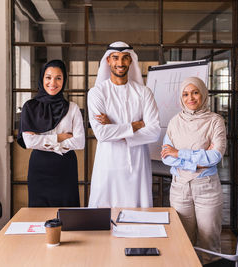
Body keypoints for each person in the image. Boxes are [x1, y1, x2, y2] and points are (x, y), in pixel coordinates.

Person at [161, 77, 226, 264]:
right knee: (182, 242)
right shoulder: (175, 122)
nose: (191, 98)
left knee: (210, 246)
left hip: (207, 189)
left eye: (195, 92)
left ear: (203, 94)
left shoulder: (215, 121)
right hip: (180, 188)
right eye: (186, 94)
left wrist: (179, 153)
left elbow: (215, 157)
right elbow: (167, 157)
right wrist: (198, 160)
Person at [88, 41, 161, 208]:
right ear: (108, 61)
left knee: (139, 216)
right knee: (104, 218)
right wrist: (134, 126)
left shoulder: (143, 92)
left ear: (131, 61)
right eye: (115, 58)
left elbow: (154, 131)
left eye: (124, 58)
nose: (120, 63)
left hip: (137, 165)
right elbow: (101, 134)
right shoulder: (97, 93)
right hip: (108, 165)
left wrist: (114, 128)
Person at [17, 59, 85, 207]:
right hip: (40, 168)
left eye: (58, 78)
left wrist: (42, 140)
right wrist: (59, 137)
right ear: (42, 79)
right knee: (39, 216)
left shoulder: (72, 108)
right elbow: (29, 141)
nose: (52, 83)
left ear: (64, 80)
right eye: (48, 77)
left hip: (66, 168)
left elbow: (79, 142)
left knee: (67, 216)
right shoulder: (30, 107)